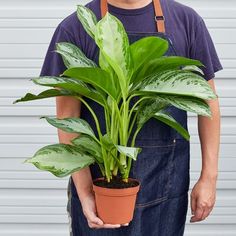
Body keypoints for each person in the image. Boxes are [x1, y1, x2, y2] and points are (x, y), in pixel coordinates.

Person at [40, 0, 223, 235]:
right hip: (99, 192)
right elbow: (68, 118)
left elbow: (208, 103)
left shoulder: (186, 21)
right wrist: (85, 194)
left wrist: (209, 178)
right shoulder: (74, 27)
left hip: (165, 189)